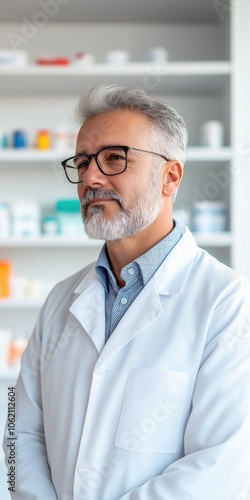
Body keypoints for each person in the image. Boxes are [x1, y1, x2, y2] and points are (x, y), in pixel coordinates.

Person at [3, 84, 250, 500]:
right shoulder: (61, 301)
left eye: (114, 158)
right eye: (81, 162)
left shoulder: (227, 303)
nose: (90, 178)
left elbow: (222, 469)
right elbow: (18, 430)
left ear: (170, 177)